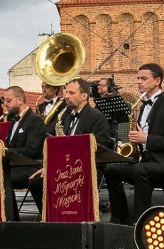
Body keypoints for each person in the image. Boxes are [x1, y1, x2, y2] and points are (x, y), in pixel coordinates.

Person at [103, 63, 164, 226]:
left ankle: (140, 223)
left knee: (140, 170)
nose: (138, 82)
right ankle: (119, 219)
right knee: (111, 169)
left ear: (157, 81)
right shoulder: (143, 107)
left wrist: (147, 139)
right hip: (147, 163)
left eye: (144, 78)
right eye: (137, 78)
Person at [27, 78, 116, 210]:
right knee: (35, 182)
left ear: (84, 96)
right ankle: (51, 217)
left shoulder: (97, 117)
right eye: (66, 92)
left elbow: (99, 148)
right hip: (67, 167)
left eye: (71, 93)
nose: (66, 96)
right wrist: (51, 166)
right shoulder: (67, 118)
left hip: (88, 167)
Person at [2, 86, 46, 220]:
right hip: (17, 166)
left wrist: (6, 151)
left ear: (20, 100)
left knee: (4, 179)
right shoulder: (14, 120)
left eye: (8, 101)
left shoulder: (35, 120)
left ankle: (13, 221)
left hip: (32, 166)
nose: (6, 105)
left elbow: (32, 150)